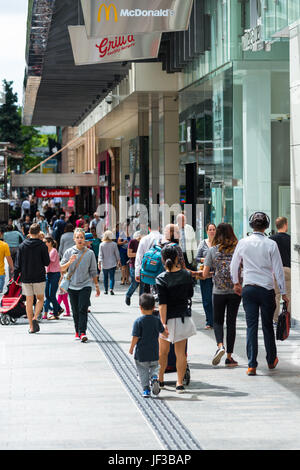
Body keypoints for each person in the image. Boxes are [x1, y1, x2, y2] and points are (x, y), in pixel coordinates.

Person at [230, 212, 288, 376]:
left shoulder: (243, 243)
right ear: (266, 226)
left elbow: (234, 265)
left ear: (251, 225)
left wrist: (236, 283)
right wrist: (283, 292)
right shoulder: (271, 244)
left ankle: (251, 365)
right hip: (266, 289)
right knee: (267, 325)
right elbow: (278, 270)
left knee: (251, 327)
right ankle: (271, 360)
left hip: (249, 288)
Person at [156, 245, 196, 394]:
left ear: (162, 259)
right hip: (182, 318)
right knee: (181, 353)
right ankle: (179, 383)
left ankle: (160, 380)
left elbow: (162, 304)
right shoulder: (186, 275)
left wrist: (163, 323)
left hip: (167, 319)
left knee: (163, 353)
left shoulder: (161, 279)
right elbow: (190, 294)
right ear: (177, 258)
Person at [202, 223, 241, 367]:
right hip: (235, 291)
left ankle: (220, 346)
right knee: (231, 323)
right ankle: (229, 357)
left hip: (218, 291)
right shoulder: (237, 250)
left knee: (218, 321)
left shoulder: (212, 251)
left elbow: (205, 274)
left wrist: (213, 273)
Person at [61, 228, 100, 342]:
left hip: (85, 285)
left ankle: (82, 332)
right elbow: (61, 267)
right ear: (74, 239)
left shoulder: (90, 253)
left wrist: (96, 286)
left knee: (83, 308)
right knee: (75, 310)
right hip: (72, 285)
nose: (79, 239)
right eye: (77, 237)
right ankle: (77, 331)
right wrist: (70, 262)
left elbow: (93, 271)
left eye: (81, 237)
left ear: (85, 239)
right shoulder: (69, 252)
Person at [129, 293, 168, 398]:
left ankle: (146, 389)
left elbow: (135, 337)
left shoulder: (138, 322)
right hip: (154, 351)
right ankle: (155, 377)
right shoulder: (156, 320)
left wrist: (132, 348)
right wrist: (166, 333)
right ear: (154, 307)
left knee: (143, 371)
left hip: (141, 354)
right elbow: (163, 332)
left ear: (140, 307)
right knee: (155, 366)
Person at [14, 223, 50, 334]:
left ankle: (31, 326)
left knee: (28, 301)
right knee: (40, 299)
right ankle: (35, 317)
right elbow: (47, 262)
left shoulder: (22, 246)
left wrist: (16, 278)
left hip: (26, 277)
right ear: (39, 233)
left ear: (29, 232)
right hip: (39, 276)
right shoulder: (42, 245)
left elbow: (17, 264)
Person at [270, 217, 291, 323]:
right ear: (285, 224)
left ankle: (275, 319)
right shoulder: (290, 239)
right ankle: (287, 319)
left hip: (274, 270)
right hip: (287, 269)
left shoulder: (271, 239)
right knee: (288, 295)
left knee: (276, 295)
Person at [196, 223, 216, 329]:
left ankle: (216, 320)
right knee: (207, 300)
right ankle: (209, 321)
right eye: (210, 229)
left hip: (217, 276)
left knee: (216, 299)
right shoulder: (203, 243)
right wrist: (204, 260)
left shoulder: (219, 243)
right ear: (207, 231)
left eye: (213, 229)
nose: (212, 231)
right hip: (206, 275)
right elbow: (197, 258)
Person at [135, 222, 162, 293]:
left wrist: (137, 272)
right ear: (159, 227)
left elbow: (139, 256)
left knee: (146, 293)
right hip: (160, 270)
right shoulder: (164, 238)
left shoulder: (144, 239)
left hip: (146, 270)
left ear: (149, 229)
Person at [43, 236, 62, 320]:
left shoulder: (54, 251)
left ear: (50, 243)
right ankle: (59, 308)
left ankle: (56, 313)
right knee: (47, 294)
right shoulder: (47, 251)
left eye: (45, 242)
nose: (44, 244)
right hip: (49, 274)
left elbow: (49, 261)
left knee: (52, 295)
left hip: (55, 274)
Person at [98, 230, 120, 295]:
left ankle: (105, 290)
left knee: (105, 277)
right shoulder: (114, 244)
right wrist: (118, 260)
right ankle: (111, 289)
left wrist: (99, 263)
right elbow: (117, 253)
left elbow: (100, 254)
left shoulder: (101, 244)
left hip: (104, 263)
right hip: (112, 263)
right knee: (112, 277)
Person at [125, 231, 142, 306]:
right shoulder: (132, 242)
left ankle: (141, 301)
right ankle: (128, 295)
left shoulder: (144, 242)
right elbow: (129, 254)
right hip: (134, 264)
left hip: (143, 265)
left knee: (143, 284)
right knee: (135, 283)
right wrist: (139, 254)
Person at [0, 228, 14, 293]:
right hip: (0, 273)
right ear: (0, 234)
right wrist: (12, 268)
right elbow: (8, 258)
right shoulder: (4, 245)